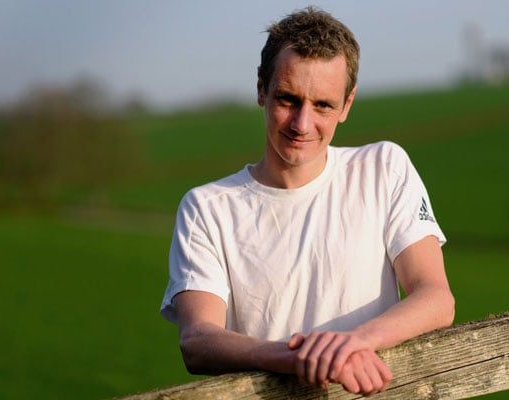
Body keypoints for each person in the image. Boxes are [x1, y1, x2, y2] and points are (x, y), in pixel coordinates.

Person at [160, 6, 455, 395]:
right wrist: (299, 356)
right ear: (261, 88)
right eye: (288, 99)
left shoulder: (385, 167)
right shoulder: (206, 208)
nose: (302, 124)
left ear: (347, 104)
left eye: (323, 105)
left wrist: (354, 342)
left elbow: (435, 297)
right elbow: (197, 340)